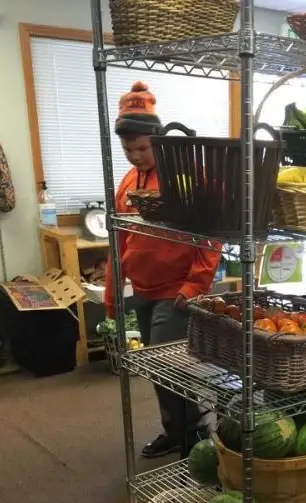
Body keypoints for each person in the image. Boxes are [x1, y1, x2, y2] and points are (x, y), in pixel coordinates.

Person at [105, 81, 221, 458]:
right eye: (128, 150)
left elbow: (210, 234)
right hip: (142, 290)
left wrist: (196, 285)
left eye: (142, 148)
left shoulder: (184, 176)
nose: (135, 156)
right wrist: (112, 295)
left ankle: (195, 433)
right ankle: (176, 430)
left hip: (177, 291)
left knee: (168, 364)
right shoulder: (127, 183)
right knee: (159, 369)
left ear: (158, 141)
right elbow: (118, 241)